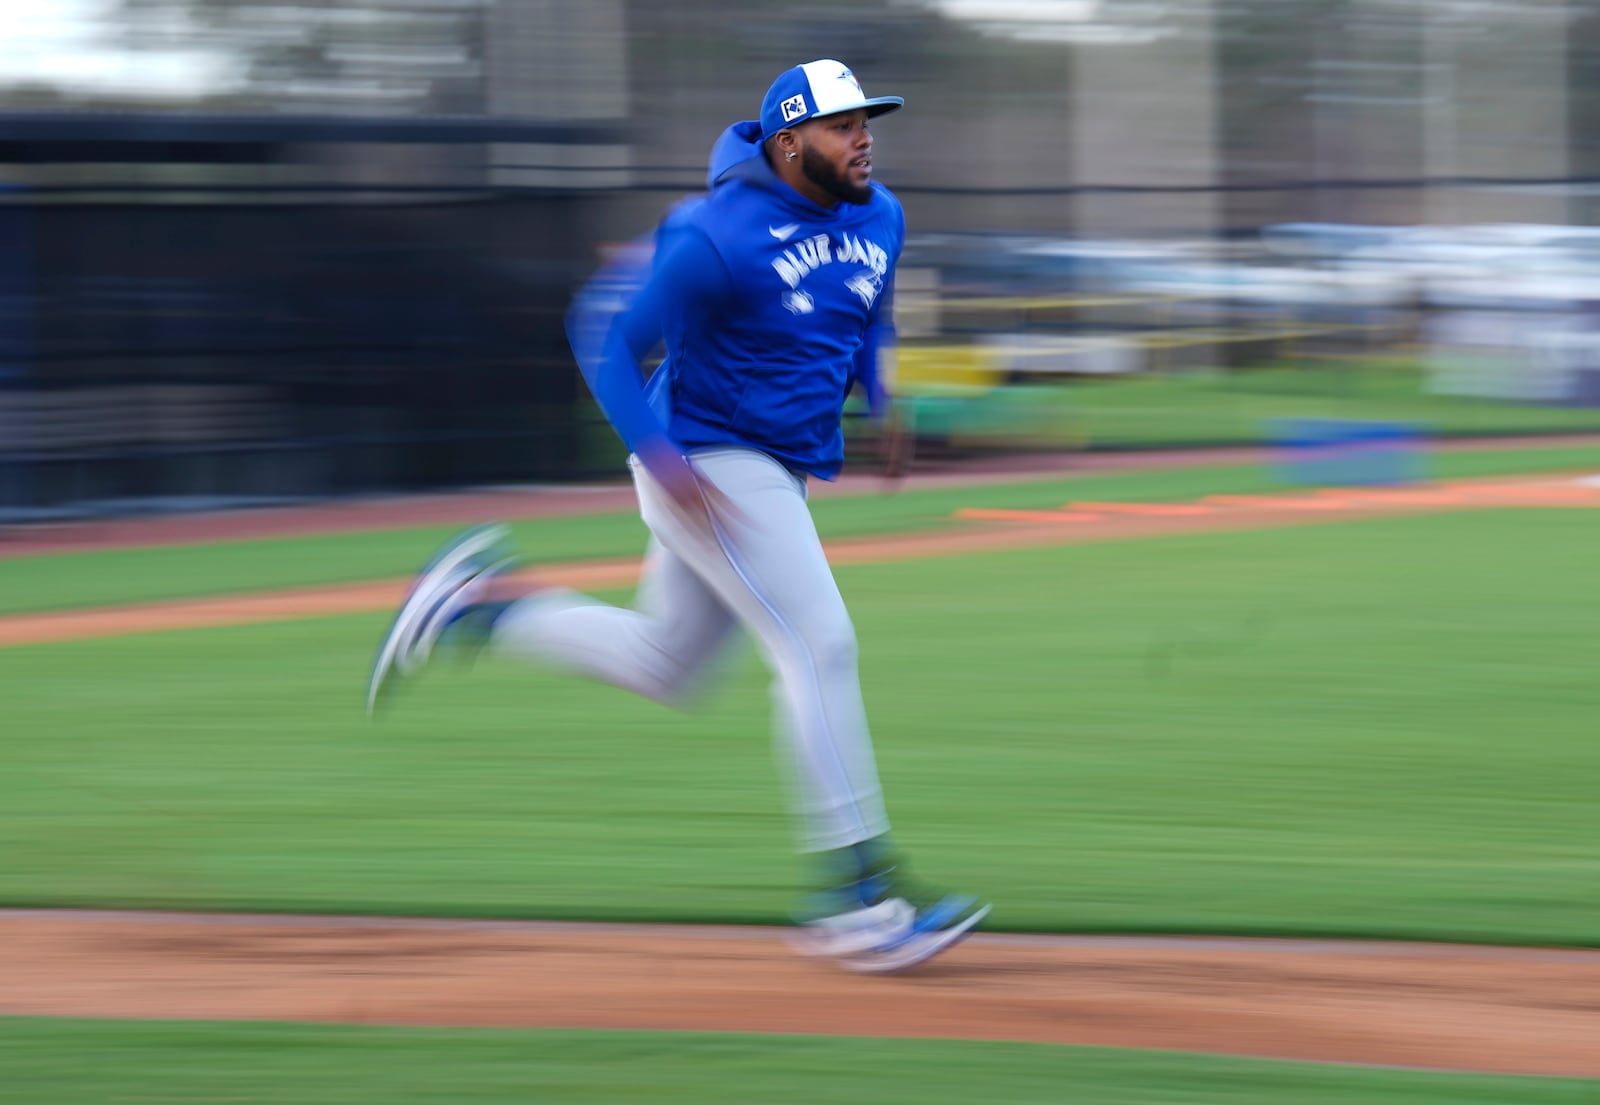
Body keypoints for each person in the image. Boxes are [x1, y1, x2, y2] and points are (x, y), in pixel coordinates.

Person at [367, 59, 988, 973]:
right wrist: (661, 457)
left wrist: (883, 396)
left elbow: (871, 311)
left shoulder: (879, 215)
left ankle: (476, 609)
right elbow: (604, 337)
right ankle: (856, 896)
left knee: (671, 665)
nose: (863, 138)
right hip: (708, 461)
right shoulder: (713, 235)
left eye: (867, 121)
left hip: (769, 467)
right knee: (821, 647)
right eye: (842, 125)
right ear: (788, 143)